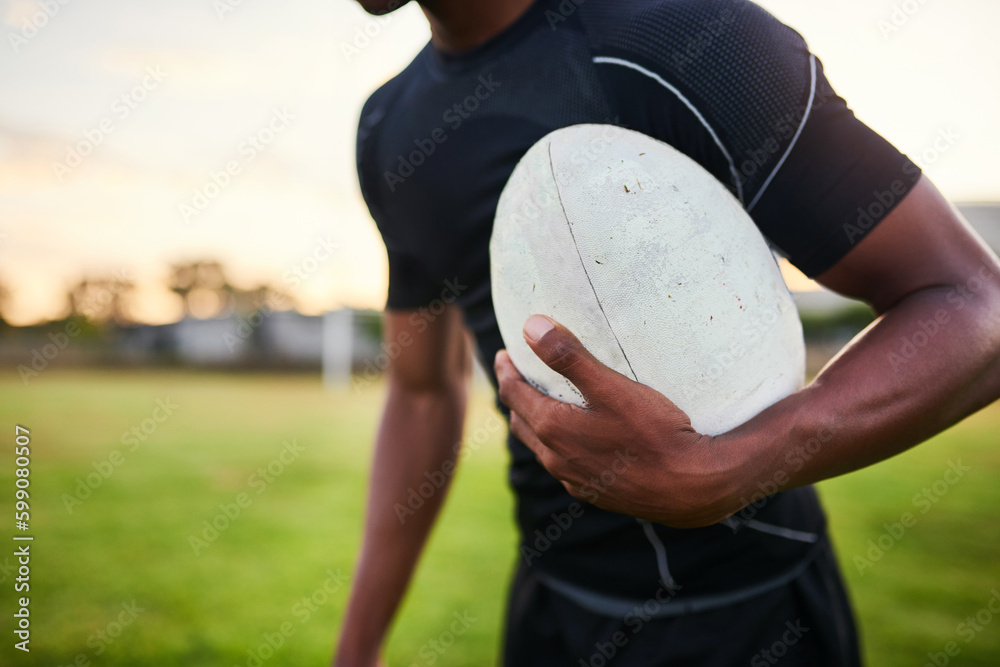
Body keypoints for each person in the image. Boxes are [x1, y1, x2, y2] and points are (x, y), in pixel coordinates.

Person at [335, 0, 1000, 664]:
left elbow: (975, 305)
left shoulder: (681, 36)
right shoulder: (392, 128)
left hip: (747, 616)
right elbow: (421, 391)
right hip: (548, 608)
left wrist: (732, 467)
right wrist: (357, 645)